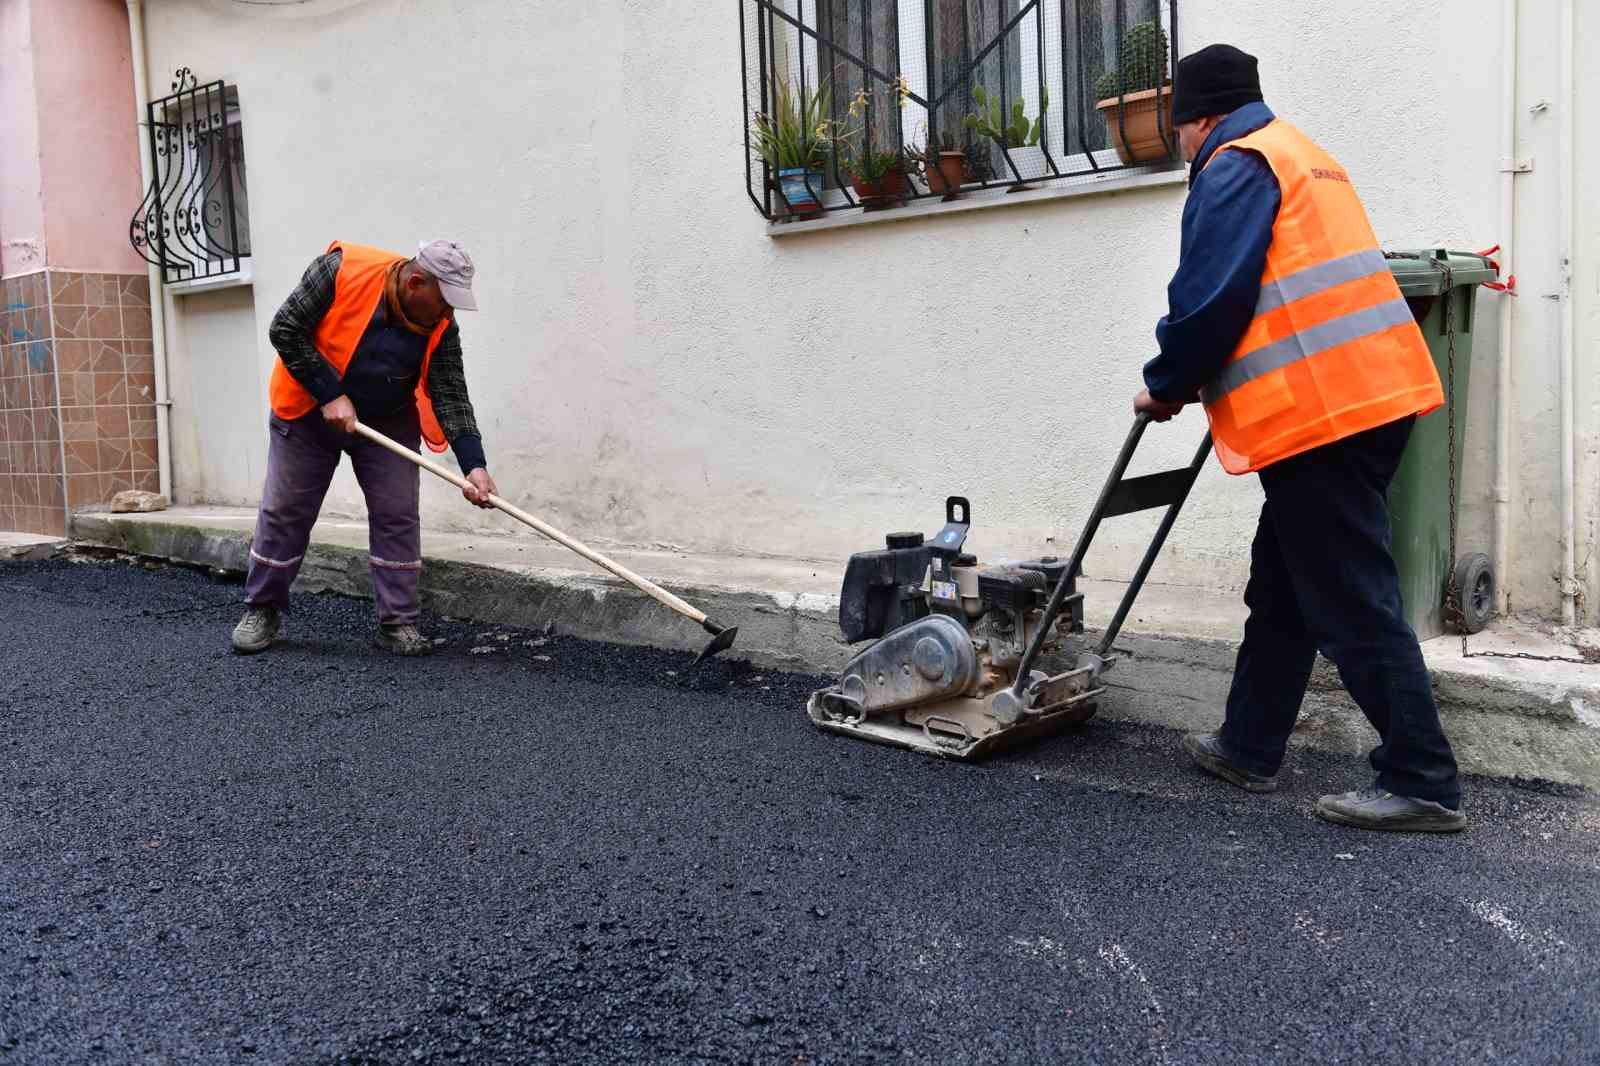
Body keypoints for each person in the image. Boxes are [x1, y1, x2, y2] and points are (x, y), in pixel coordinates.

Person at [1136, 45, 1465, 832]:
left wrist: (1168, 380)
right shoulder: (1305, 155)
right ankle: (1248, 746)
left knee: (1348, 595)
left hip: (1324, 414)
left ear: (1200, 118)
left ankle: (1422, 778)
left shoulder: (1237, 163)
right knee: (1284, 582)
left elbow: (1210, 296)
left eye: (1180, 126)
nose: (1183, 142)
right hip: (1370, 396)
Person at [230, 239, 498, 657]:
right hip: (307, 409)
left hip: (387, 416)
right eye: (444, 300)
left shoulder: (442, 325)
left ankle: (398, 622)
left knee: (397, 513)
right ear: (415, 283)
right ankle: (262, 607)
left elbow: (451, 394)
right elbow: (285, 328)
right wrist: (329, 393)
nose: (448, 312)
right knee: (286, 510)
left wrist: (474, 465)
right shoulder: (338, 271)